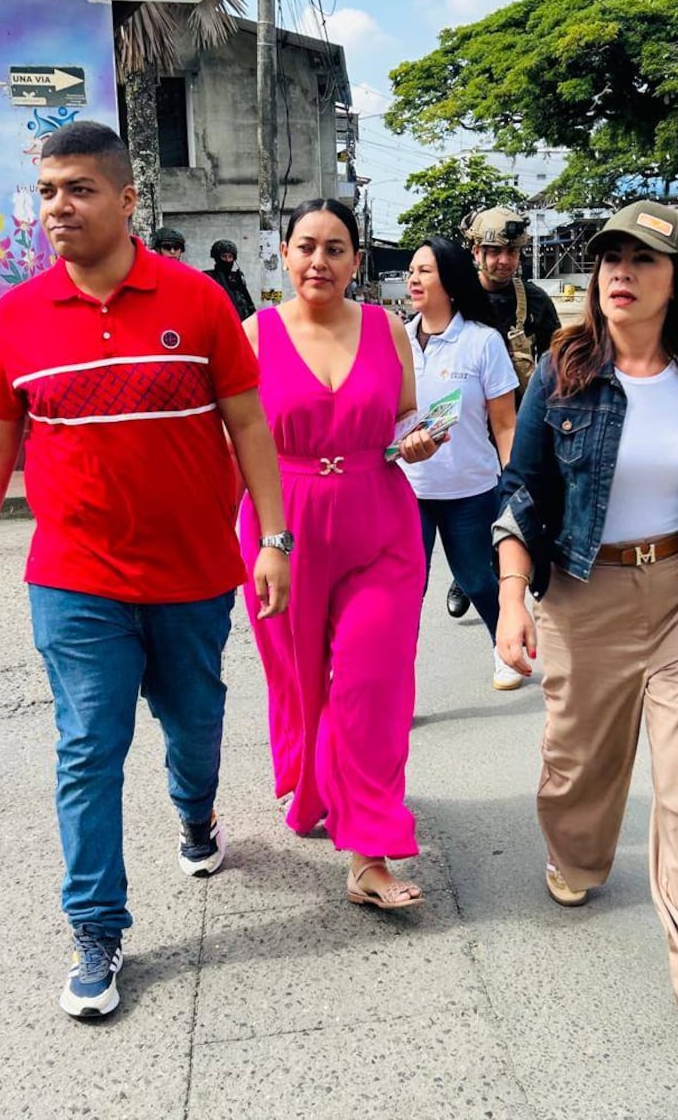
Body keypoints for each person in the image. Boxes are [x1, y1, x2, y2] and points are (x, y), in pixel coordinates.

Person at [0, 120, 290, 1020]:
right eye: (47, 192)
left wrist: (275, 538)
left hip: (192, 575)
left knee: (195, 725)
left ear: (127, 199)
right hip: (75, 578)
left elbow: (248, 423)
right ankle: (96, 929)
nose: (58, 207)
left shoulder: (199, 301)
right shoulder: (17, 316)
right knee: (88, 750)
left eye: (79, 189)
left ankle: (195, 812)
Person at [493, 199, 678, 1054]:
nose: (620, 272)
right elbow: (523, 489)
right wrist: (511, 596)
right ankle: (580, 855)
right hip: (586, 593)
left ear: (676, 279)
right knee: (579, 760)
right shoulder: (563, 370)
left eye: (642, 259)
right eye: (610, 258)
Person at [239, 198, 443, 910]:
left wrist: (418, 437)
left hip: (379, 519)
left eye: (335, 248)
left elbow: (406, 414)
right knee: (301, 682)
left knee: (371, 683)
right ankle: (315, 786)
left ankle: (369, 851)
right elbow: (234, 442)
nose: (319, 261)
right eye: (306, 246)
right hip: (283, 526)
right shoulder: (254, 334)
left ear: (357, 260)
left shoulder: (387, 328)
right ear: (284, 255)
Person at [400, 236, 521, 690]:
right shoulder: (397, 340)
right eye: (412, 271)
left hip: (470, 489)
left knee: (477, 579)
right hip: (407, 490)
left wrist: (515, 486)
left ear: (450, 281)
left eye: (425, 271)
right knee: (405, 591)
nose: (413, 279)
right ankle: (397, 683)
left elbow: (504, 425)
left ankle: (506, 648)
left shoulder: (482, 342)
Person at [441, 207, 561, 620]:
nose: (503, 260)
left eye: (511, 251)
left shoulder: (536, 302)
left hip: (520, 424)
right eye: (493, 251)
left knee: (519, 501)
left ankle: (513, 573)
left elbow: (557, 363)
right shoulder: (455, 299)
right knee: (469, 509)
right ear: (475, 252)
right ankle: (467, 573)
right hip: (469, 426)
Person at [205, 238, 256, 321]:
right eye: (223, 256)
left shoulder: (237, 277)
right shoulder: (209, 277)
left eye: (230, 257)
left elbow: (247, 301)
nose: (227, 260)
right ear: (217, 258)